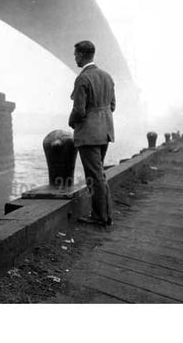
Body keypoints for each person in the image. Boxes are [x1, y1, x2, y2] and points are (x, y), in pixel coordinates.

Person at [68, 40, 115, 226]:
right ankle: (106, 215)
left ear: (81, 55)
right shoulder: (108, 77)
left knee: (94, 176)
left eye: (75, 55)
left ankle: (99, 217)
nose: (74, 58)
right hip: (105, 132)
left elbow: (79, 111)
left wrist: (71, 122)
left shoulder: (83, 78)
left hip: (89, 135)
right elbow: (112, 106)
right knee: (99, 174)